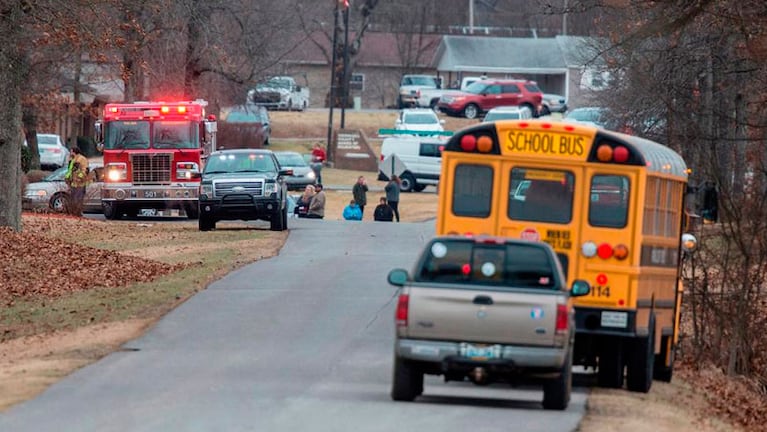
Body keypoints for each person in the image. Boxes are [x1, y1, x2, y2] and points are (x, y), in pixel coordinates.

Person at [64, 147, 89, 216]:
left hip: (80, 183)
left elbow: (85, 170)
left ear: (74, 152)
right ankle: (74, 213)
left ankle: (78, 213)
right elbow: (70, 170)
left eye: (71, 151)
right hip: (73, 183)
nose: (70, 153)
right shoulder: (72, 159)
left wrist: (79, 177)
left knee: (78, 199)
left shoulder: (82, 159)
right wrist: (67, 178)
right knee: (73, 199)